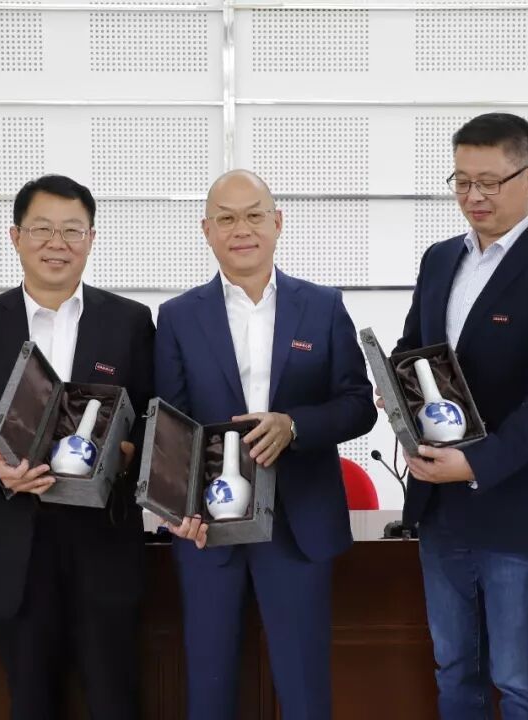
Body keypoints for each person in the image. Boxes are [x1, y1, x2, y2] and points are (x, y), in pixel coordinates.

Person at [391, 113, 528, 719]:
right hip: (439, 506)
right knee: (454, 667)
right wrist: (397, 392)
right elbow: (412, 351)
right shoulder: (440, 259)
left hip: (515, 508)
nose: (473, 196)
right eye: (461, 181)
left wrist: (476, 464)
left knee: (517, 677)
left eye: (489, 181)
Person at [158, 169, 377, 720]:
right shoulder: (178, 317)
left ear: (278, 222)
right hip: (208, 529)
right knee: (209, 689)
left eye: (255, 215)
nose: (242, 229)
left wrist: (294, 426)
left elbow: (358, 404)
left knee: (304, 692)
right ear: (206, 230)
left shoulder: (323, 307)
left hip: (298, 523)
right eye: (226, 218)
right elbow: (169, 425)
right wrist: (179, 508)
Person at [0, 174, 154, 719]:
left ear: (91, 238)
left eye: (72, 230)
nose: (57, 243)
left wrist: (128, 454)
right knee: (31, 701)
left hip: (104, 543)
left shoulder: (130, 322)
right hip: (15, 544)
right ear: (15, 236)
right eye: (42, 229)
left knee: (115, 700)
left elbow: (154, 416)